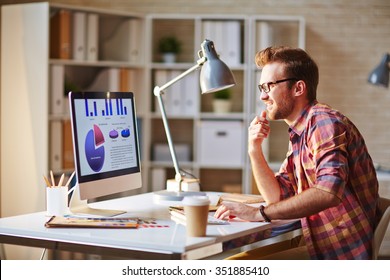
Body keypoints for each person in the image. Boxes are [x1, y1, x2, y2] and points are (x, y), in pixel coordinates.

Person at [214, 46, 380, 260]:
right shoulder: (300, 132)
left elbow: (329, 191)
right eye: (261, 87)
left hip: (340, 254)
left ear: (298, 88)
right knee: (238, 261)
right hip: (319, 244)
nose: (263, 96)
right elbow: (277, 196)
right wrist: (254, 149)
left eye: (270, 86)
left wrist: (258, 213)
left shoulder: (323, 122)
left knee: (235, 267)